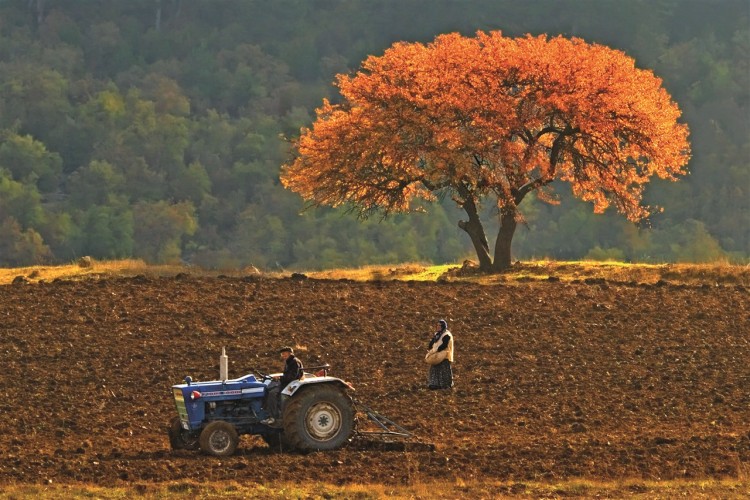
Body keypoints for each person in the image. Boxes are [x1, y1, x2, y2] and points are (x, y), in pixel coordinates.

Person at [261, 346, 303, 426]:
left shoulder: (294, 362)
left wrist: (280, 378)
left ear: (290, 353)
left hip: (292, 383)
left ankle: (273, 417)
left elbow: (292, 376)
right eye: (282, 354)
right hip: (287, 382)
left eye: (284, 354)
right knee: (269, 388)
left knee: (272, 394)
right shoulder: (289, 361)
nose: (283, 356)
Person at [427, 319, 454, 390]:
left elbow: (444, 345)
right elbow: (431, 343)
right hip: (436, 356)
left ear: (443, 326)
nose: (438, 327)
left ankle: (445, 385)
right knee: (434, 370)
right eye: (437, 325)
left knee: (443, 370)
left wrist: (436, 350)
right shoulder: (437, 335)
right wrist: (431, 349)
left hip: (444, 356)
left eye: (440, 325)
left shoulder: (446, 335)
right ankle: (434, 384)